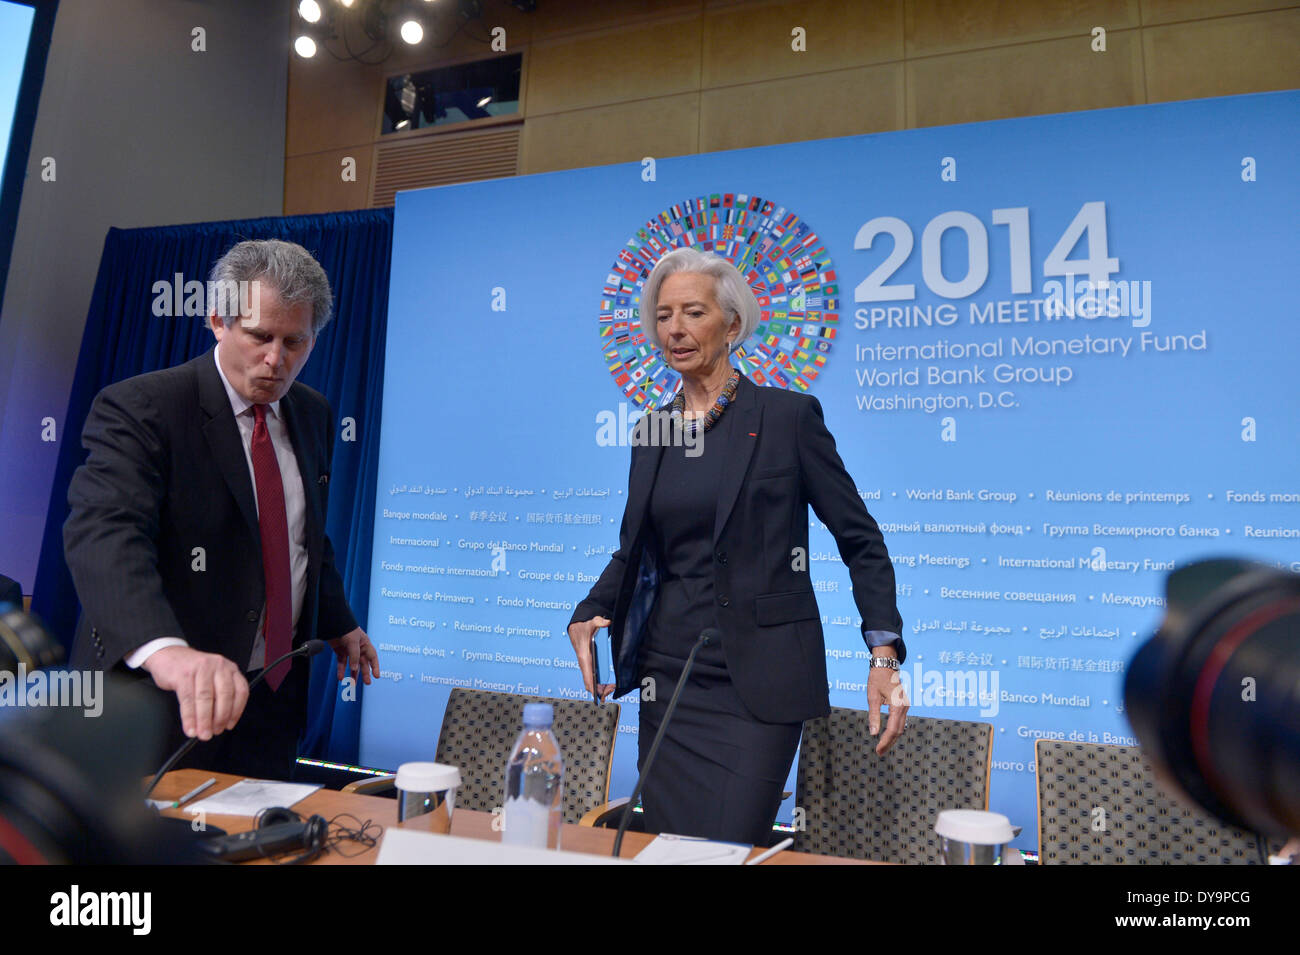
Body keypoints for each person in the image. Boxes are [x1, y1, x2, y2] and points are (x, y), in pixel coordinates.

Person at [568, 247, 907, 845]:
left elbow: (861, 539)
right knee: (669, 850)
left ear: (731, 324)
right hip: (668, 676)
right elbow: (635, 550)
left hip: (757, 681)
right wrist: (589, 609)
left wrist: (883, 655)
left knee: (726, 847)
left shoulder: (787, 417)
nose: (674, 328)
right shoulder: (653, 430)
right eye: (663, 315)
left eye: (692, 312)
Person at [64, 239, 379, 780]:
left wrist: (337, 620)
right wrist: (170, 654)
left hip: (272, 696)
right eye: (259, 336)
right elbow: (105, 538)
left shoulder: (312, 412)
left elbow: (302, 536)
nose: (276, 360)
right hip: (157, 704)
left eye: (295, 341)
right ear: (217, 320)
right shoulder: (144, 408)